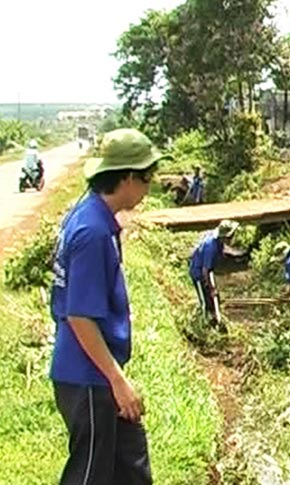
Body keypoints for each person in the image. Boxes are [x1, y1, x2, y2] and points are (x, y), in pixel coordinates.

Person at [50, 128, 167, 484]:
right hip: (88, 375)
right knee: (91, 475)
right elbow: (79, 315)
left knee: (131, 466)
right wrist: (117, 381)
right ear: (128, 178)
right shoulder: (92, 232)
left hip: (98, 370)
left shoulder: (93, 216)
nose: (149, 189)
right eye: (147, 180)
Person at [189, 219, 240, 328]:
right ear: (225, 237)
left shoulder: (217, 240)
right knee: (204, 302)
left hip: (207, 269)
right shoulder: (210, 247)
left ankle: (214, 320)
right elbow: (205, 270)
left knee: (213, 299)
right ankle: (202, 326)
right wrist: (211, 288)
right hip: (199, 273)